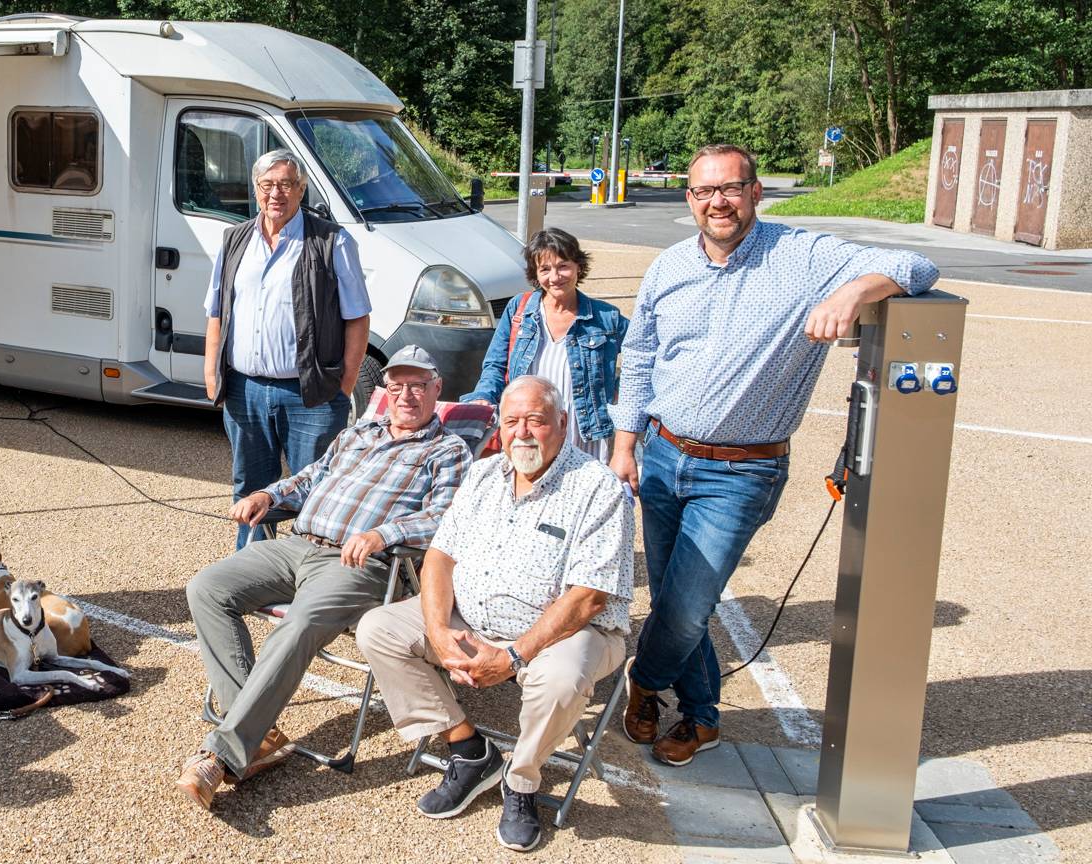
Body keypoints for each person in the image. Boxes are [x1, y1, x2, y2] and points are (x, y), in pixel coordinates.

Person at [609, 143, 939, 765]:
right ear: (689, 199)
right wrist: (626, 443)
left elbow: (916, 264)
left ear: (756, 192)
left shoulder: (804, 257)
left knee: (683, 607)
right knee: (682, 598)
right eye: (705, 191)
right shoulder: (669, 267)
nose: (718, 202)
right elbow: (642, 357)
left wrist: (854, 292)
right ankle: (702, 717)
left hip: (742, 469)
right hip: (662, 455)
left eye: (730, 188)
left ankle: (645, 680)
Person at [175, 345, 469, 809]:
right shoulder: (358, 433)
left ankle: (223, 753)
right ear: (385, 391)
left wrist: (382, 534)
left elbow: (447, 518)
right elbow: (309, 478)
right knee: (207, 588)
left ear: (437, 390)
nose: (407, 396)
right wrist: (267, 496)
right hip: (297, 544)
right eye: (397, 387)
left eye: (418, 386)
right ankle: (258, 731)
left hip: (359, 565)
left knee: (300, 624)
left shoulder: (448, 450)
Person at [357, 375, 632, 852]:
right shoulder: (484, 475)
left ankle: (521, 782)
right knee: (379, 629)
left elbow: (588, 598)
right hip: (472, 621)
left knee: (562, 680)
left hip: (566, 632)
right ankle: (468, 750)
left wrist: (513, 658)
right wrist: (440, 632)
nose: (522, 433)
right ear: (499, 428)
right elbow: (440, 558)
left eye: (536, 421)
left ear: (562, 424)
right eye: (511, 422)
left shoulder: (596, 486)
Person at [203, 149, 372, 549]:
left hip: (308, 395)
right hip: (244, 390)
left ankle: (309, 573)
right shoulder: (234, 239)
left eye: (286, 184)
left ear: (301, 189)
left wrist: (344, 385)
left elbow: (358, 318)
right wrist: (212, 374)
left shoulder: (332, 241)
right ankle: (250, 572)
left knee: (313, 490)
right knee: (250, 489)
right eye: (267, 185)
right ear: (256, 189)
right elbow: (215, 312)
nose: (276, 193)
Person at [462, 228, 627, 462]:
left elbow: (644, 354)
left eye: (563, 266)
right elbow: (496, 366)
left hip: (582, 433)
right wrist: (483, 397)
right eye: (545, 269)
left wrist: (621, 389)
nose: (555, 277)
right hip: (527, 427)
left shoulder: (605, 316)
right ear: (535, 274)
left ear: (578, 266)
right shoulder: (520, 310)